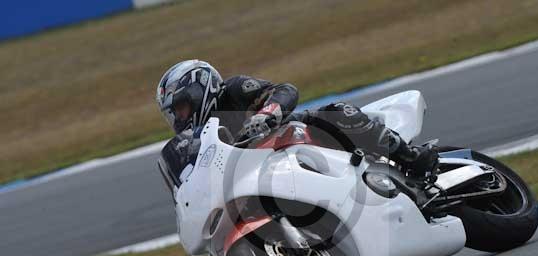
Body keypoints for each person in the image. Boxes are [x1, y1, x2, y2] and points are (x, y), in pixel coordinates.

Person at [156, 60, 438, 178]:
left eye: (180, 107)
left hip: (296, 136)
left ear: (199, 90)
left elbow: (283, 90)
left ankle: (410, 156)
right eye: (174, 113)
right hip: (262, 171)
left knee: (337, 112)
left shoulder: (233, 90)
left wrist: (268, 113)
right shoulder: (197, 139)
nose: (179, 118)